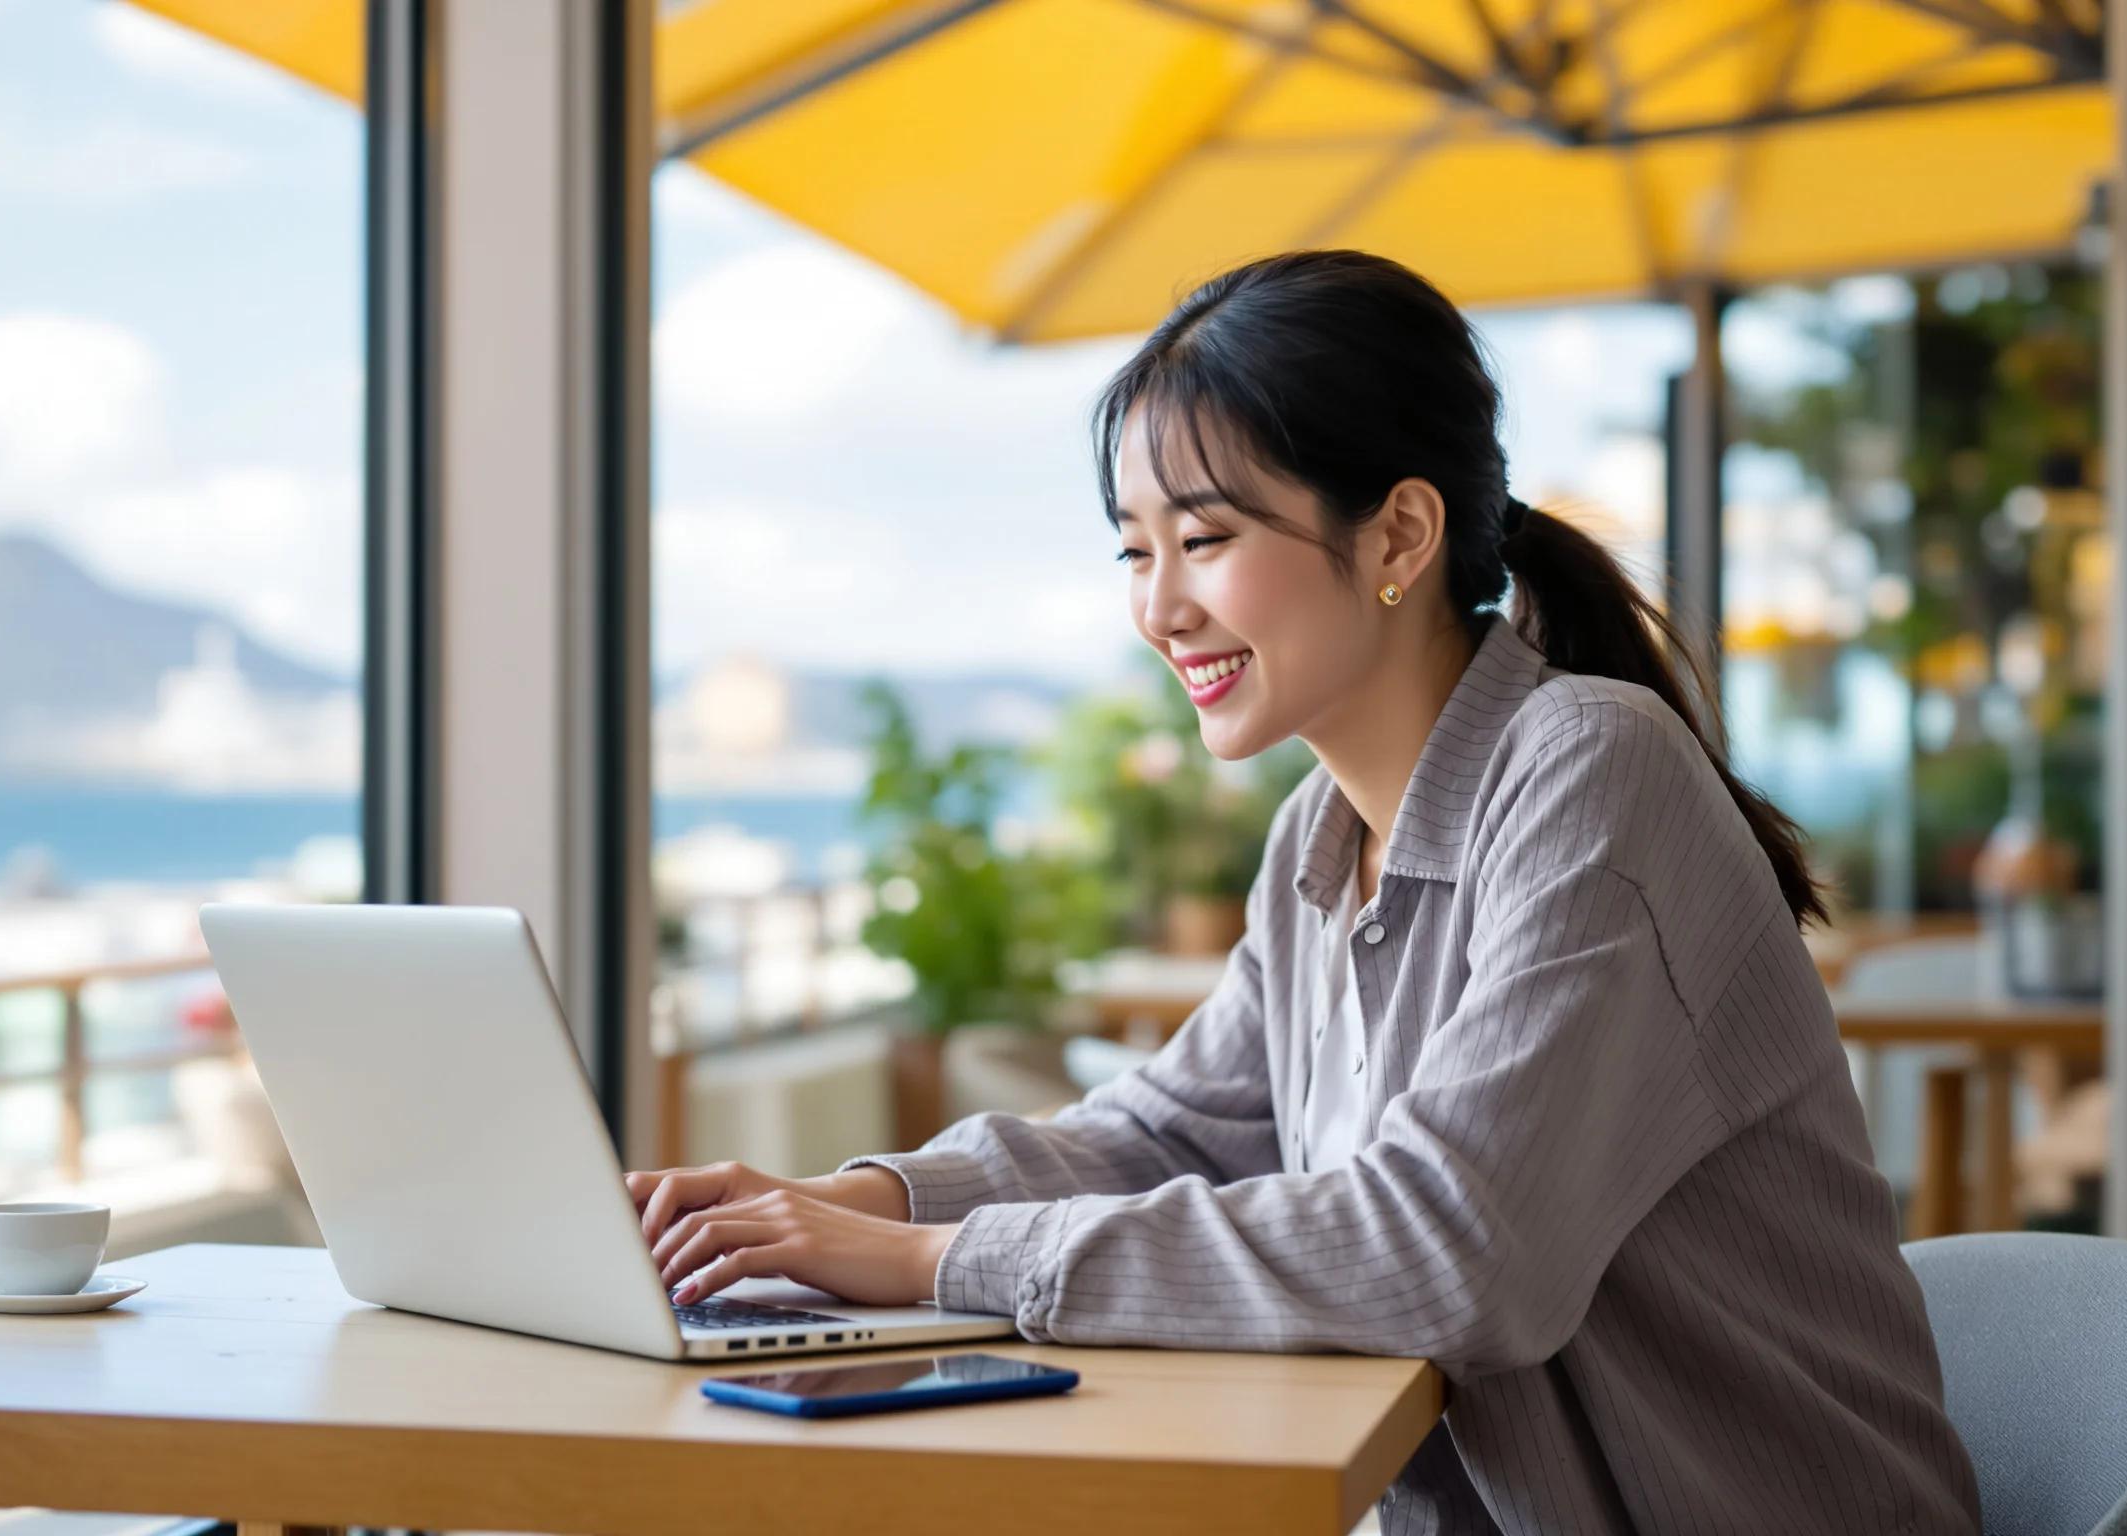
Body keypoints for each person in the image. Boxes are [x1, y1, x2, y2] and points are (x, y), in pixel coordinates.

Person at [627, 249, 1982, 1534]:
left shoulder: (1591, 774)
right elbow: (1171, 1132)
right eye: (1133, 551)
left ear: (1398, 533)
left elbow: (1456, 1255)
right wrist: (851, 1207)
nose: (1158, 611)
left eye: (1205, 539)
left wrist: (937, 1269)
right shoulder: (1321, 839)